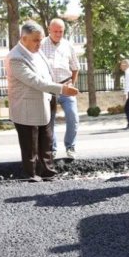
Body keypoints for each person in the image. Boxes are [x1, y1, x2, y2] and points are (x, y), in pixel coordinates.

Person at [6, 21, 79, 182]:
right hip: (26, 108)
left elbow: (47, 74)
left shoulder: (37, 51)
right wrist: (61, 89)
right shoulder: (15, 57)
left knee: (46, 140)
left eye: (40, 40)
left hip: (45, 102)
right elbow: (35, 81)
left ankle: (47, 172)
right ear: (23, 38)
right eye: (36, 40)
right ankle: (31, 175)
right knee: (30, 145)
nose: (40, 44)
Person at [41, 18, 80, 159]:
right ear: (49, 30)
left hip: (66, 86)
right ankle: (52, 148)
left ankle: (71, 146)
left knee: (73, 117)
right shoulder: (41, 44)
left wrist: (72, 84)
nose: (58, 34)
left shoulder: (68, 46)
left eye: (61, 31)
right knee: (49, 120)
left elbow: (75, 67)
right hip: (49, 87)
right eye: (55, 31)